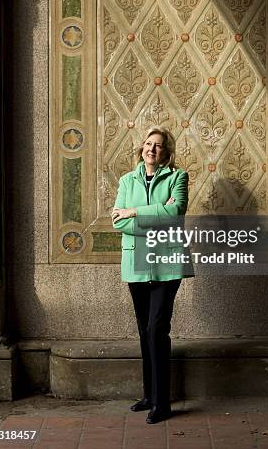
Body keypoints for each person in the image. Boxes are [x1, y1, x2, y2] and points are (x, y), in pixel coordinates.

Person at [111, 126, 193, 424]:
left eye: (158, 145)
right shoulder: (126, 180)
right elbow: (117, 222)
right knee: (145, 330)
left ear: (166, 152)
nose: (152, 149)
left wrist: (133, 212)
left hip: (168, 264)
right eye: (148, 144)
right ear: (141, 148)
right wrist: (151, 214)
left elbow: (176, 214)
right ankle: (148, 395)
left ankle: (163, 402)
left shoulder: (178, 177)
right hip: (137, 264)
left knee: (158, 329)